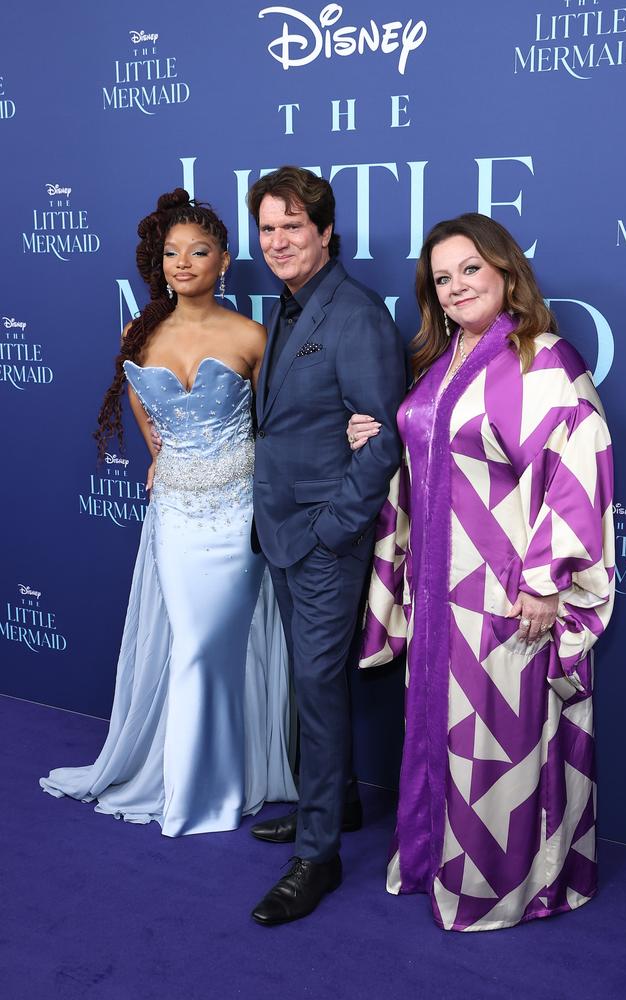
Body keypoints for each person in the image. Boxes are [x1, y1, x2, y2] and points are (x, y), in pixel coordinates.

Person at [350, 213, 615, 931]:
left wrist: (544, 581)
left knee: (499, 736)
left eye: (470, 268)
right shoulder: (443, 364)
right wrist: (382, 431)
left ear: (504, 270)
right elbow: (429, 452)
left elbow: (579, 466)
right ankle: (437, 855)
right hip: (439, 593)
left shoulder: (544, 359)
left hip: (504, 593)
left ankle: (505, 884)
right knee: (441, 733)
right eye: (442, 277)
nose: (456, 285)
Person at [40, 189, 297, 836]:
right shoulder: (139, 331)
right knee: (192, 643)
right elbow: (140, 400)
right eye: (171, 252)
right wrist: (162, 455)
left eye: (198, 251)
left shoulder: (251, 335)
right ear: (158, 262)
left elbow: (279, 423)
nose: (183, 262)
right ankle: (194, 783)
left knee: (214, 645)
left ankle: (206, 788)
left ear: (224, 261)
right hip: (177, 513)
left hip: (238, 511)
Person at [246, 166, 406, 925]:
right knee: (316, 682)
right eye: (267, 229)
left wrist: (333, 529)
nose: (277, 242)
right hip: (281, 529)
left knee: (315, 683)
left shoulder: (357, 313)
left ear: (325, 232)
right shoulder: (289, 306)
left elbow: (382, 439)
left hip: (321, 537)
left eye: (291, 228)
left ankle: (318, 856)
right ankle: (335, 803)